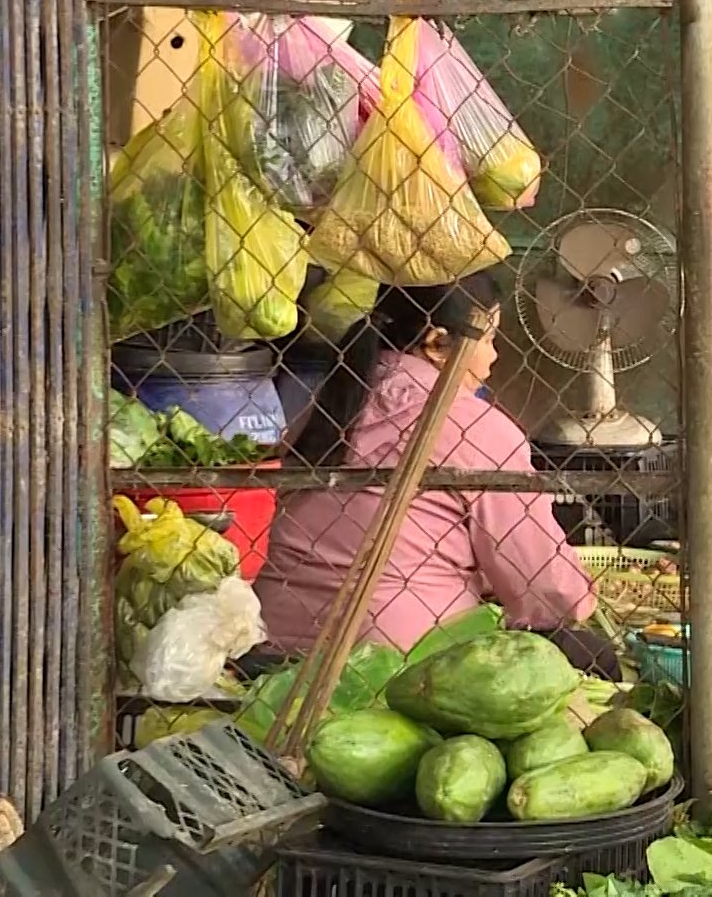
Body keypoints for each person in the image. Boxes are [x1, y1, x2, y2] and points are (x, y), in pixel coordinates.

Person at [256, 275, 602, 664]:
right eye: (488, 340)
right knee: (591, 654)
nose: (495, 357)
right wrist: (581, 599)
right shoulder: (477, 427)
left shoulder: (326, 406)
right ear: (438, 344)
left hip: (275, 638)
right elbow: (545, 588)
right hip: (394, 659)